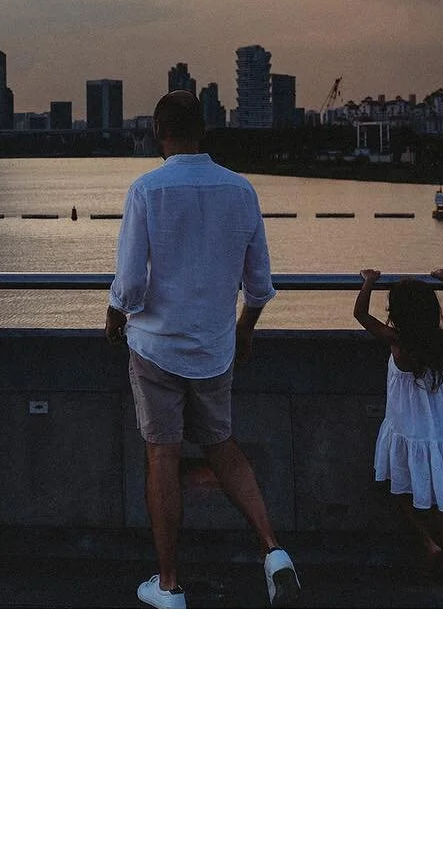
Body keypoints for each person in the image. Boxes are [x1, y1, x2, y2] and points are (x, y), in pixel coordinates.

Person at [107, 91, 299, 608]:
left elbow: (128, 284)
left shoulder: (146, 190)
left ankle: (169, 586)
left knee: (162, 456)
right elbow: (259, 285)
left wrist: (113, 312)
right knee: (223, 446)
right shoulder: (240, 191)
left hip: (156, 346)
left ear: (156, 132)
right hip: (216, 346)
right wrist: (244, 328)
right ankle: (274, 550)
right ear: (205, 131)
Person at [354, 267, 443, 572]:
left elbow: (362, 315)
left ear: (398, 314)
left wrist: (368, 281)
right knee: (442, 493)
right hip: (440, 428)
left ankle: (426, 541)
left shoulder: (397, 342)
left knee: (397, 487)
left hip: (407, 427)